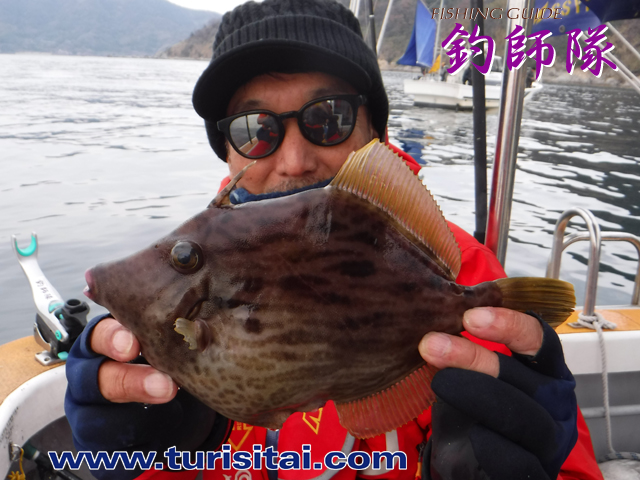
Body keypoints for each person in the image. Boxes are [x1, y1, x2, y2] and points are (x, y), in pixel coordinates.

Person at [65, 1, 603, 480]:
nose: (294, 160)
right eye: (255, 129)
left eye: (328, 119)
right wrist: (143, 461)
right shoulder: (185, 282)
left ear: (375, 133)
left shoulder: (465, 274)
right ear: (228, 151)